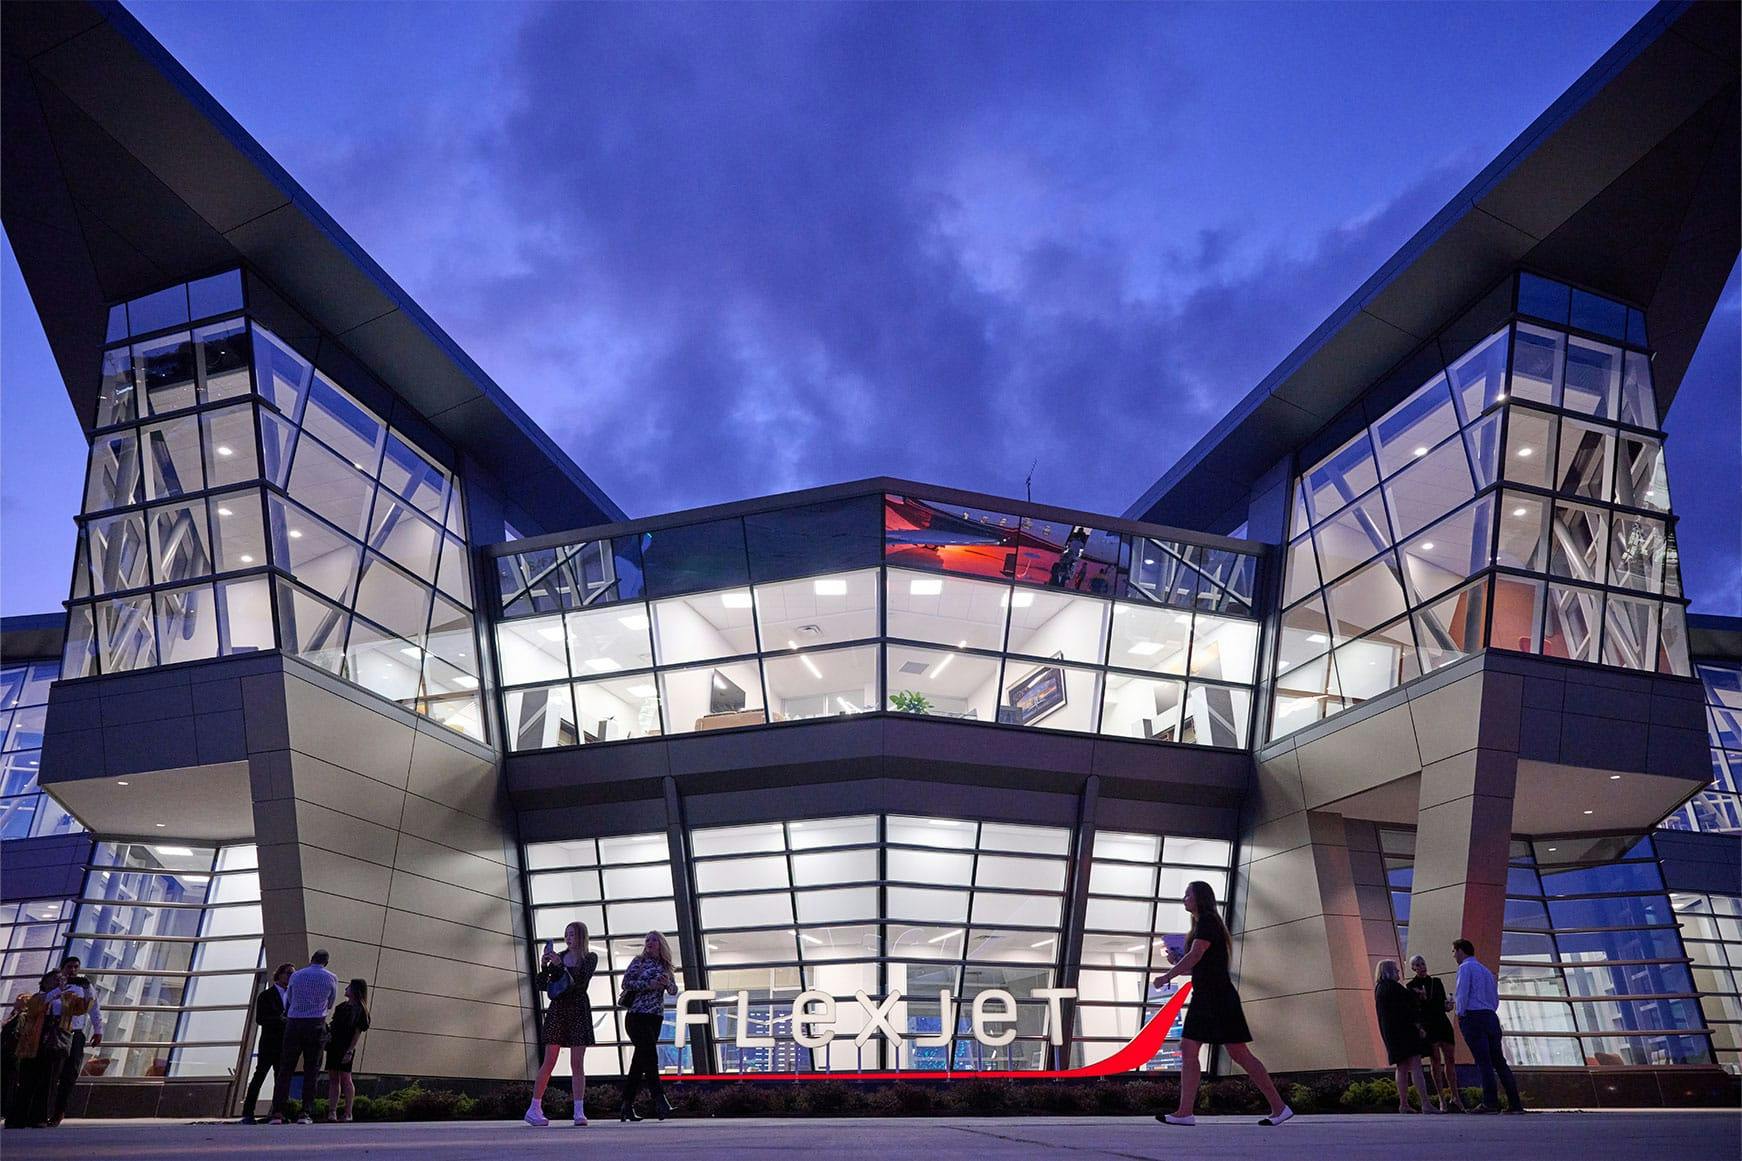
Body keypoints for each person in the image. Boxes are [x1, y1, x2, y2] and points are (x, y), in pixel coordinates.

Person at [1151, 881, 1294, 1127]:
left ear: (1200, 898)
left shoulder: (1207, 922)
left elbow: (1196, 956)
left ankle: (1278, 1107)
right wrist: (1177, 962)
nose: (1184, 899)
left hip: (1215, 997)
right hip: (1212, 996)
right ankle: (1186, 1112)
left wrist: (1167, 976)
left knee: (1232, 1052)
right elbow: (1199, 963)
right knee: (1202, 1050)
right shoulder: (1201, 926)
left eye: (1188, 895)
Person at [526, 921, 599, 1128]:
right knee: (550, 1060)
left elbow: (580, 983)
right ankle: (534, 1107)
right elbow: (542, 985)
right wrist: (544, 967)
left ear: (581, 937)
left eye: (573, 935)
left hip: (577, 1010)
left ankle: (578, 1110)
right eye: (566, 934)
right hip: (558, 1010)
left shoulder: (589, 958)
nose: (568, 938)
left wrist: (559, 966)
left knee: (577, 1062)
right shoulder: (560, 957)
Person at [1452, 938, 1524, 1114]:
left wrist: (1460, 1013)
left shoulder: (1465, 968)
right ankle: (1515, 1104)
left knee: (1483, 1062)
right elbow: (1494, 999)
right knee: (1499, 1061)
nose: (1453, 955)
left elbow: (1462, 994)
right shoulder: (1486, 971)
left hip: (1473, 1017)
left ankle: (1490, 1103)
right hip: (1490, 1016)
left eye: (1454, 951)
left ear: (1461, 950)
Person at [270, 949, 338, 1125]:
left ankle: (277, 1112)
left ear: (311, 959)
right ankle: (305, 1113)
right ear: (326, 962)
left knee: (286, 1069)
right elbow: (330, 1002)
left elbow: (289, 999)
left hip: (294, 1023)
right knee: (311, 1070)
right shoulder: (331, 977)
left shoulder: (297, 975)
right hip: (316, 1023)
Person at [617, 930, 679, 1123]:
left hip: (655, 1017)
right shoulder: (639, 961)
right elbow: (626, 982)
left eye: (654, 940)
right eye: (647, 940)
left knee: (640, 1062)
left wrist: (666, 983)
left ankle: (626, 1105)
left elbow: (674, 990)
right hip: (637, 1016)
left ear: (661, 944)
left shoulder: (666, 965)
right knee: (650, 1056)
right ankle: (660, 1100)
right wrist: (649, 983)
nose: (650, 943)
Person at [1373, 960, 1439, 1114]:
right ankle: (1425, 1103)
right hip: (1405, 1032)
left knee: (1401, 1066)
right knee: (1415, 1064)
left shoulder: (1380, 989)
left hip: (1391, 1033)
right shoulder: (1395, 988)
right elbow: (1406, 1010)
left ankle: (1403, 1103)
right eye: (1396, 970)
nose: (1398, 972)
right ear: (1389, 971)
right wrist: (1418, 1026)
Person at [10, 971, 71, 1128]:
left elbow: (74, 1013)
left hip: (52, 1045)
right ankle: (17, 1117)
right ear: (45, 982)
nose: (59, 982)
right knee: (26, 1082)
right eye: (55, 980)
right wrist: (58, 991)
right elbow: (37, 1006)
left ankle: (38, 1117)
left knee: (46, 1082)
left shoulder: (64, 1000)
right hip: (33, 1044)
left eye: (61, 980)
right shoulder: (37, 997)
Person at [1408, 954, 1465, 1112]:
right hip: (1429, 1025)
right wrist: (1422, 999)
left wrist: (1448, 1005)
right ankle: (1441, 1099)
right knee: (1435, 1061)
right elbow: (1414, 1008)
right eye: (1418, 965)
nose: (1421, 967)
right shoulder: (1411, 986)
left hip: (1442, 1023)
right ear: (1413, 968)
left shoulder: (1436, 982)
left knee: (1450, 1059)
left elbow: (1441, 1004)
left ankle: (1455, 1096)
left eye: (1423, 963)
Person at [47, 956, 100, 1127]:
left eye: (76, 967)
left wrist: (98, 1030)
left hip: (75, 1033)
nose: (73, 970)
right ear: (62, 968)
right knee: (52, 1072)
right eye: (69, 966)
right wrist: (59, 989)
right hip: (55, 1030)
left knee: (69, 1073)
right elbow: (43, 1001)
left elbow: (94, 1008)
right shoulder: (55, 983)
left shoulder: (84, 985)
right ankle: (44, 1109)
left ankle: (59, 1111)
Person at [240, 963, 294, 1124]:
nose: (291, 977)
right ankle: (248, 1112)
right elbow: (260, 1019)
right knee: (260, 1075)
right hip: (270, 1042)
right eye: (288, 973)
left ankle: (278, 1112)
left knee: (281, 1078)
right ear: (280, 975)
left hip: (285, 1043)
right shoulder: (266, 996)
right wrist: (280, 1019)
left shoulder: (292, 996)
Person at [323, 979, 370, 1123]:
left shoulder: (361, 1010)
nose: (346, 988)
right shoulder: (341, 1007)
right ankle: (332, 1112)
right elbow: (334, 1024)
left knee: (345, 1077)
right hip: (334, 1045)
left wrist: (350, 1050)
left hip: (346, 1046)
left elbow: (357, 1032)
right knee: (333, 1078)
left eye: (349, 986)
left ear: (355, 990)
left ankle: (348, 1112)